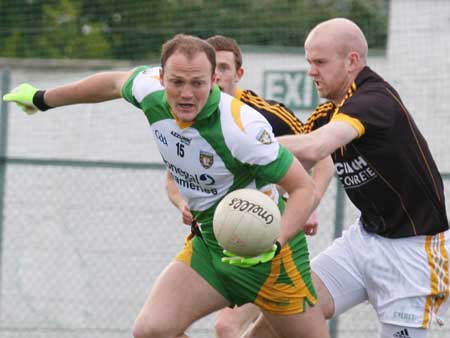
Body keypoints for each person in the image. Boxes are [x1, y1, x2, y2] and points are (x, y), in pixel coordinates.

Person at [3, 34, 330, 338]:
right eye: (177, 82)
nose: (187, 93)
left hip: (268, 259)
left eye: (198, 83)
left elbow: (304, 189)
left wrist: (274, 241)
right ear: (161, 78)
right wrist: (42, 98)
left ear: (214, 80)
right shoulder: (150, 91)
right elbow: (111, 83)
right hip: (209, 247)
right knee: (150, 330)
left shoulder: (241, 128)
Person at [248, 18, 450, 338]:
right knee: (287, 308)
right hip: (364, 241)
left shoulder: (374, 101)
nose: (311, 71)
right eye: (308, 62)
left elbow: (316, 146)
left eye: (320, 62)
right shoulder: (331, 109)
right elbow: (297, 152)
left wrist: (245, 147)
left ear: (351, 61)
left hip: (413, 253)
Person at [163, 35, 334, 338]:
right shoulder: (189, 116)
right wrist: (181, 202)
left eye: (224, 68)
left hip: (267, 243)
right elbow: (172, 178)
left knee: (227, 325)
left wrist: (310, 205)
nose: (216, 76)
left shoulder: (262, 116)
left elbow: (321, 156)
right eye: (212, 68)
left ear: (238, 74)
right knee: (160, 327)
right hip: (220, 243)